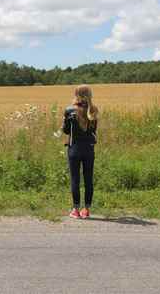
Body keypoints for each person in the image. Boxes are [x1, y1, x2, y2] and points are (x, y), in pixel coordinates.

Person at [62, 85, 99, 219]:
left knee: (75, 179)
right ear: (90, 94)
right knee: (88, 179)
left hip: (74, 148)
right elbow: (94, 130)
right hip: (89, 149)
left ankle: (75, 210)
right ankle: (87, 209)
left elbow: (65, 130)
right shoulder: (94, 110)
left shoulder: (69, 110)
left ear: (76, 94)